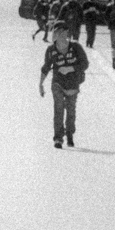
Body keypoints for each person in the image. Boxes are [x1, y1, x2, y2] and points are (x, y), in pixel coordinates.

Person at [39, 21, 89, 149]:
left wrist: (70, 68)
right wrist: (41, 83)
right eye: (57, 32)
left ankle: (70, 134)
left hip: (73, 83)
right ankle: (58, 138)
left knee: (71, 110)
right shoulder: (51, 50)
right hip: (58, 83)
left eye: (63, 32)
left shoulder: (76, 47)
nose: (60, 35)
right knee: (59, 109)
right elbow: (46, 67)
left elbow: (85, 64)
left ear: (66, 33)